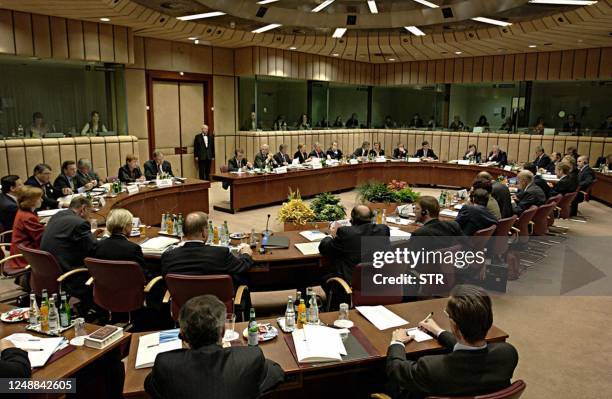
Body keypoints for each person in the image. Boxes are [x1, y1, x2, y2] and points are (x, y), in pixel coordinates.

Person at [386, 285, 518, 398]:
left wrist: (397, 342)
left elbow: (395, 368)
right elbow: (471, 354)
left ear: (454, 325)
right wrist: (438, 331)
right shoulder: (508, 354)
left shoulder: (432, 368)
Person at [144, 295, 284, 399]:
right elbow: (277, 374)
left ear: (183, 335)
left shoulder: (166, 364)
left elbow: (150, 386)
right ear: (223, 331)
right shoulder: (250, 357)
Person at [161, 212, 253, 287]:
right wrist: (246, 254)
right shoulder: (220, 254)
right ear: (203, 232)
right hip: (215, 305)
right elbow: (242, 266)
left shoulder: (168, 256)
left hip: (183, 306)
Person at [319, 205, 390, 282]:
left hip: (353, 283)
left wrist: (331, 235)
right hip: (377, 279)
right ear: (371, 218)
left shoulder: (346, 232)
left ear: (352, 218)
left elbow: (325, 249)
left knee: (324, 278)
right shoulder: (383, 229)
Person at [40, 196, 98, 273]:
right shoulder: (80, 223)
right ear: (83, 209)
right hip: (69, 271)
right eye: (90, 211)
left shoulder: (58, 214)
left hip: (48, 268)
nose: (90, 216)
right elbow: (94, 248)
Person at [94, 208, 149, 279]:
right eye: (131, 224)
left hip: (105, 287)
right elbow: (143, 275)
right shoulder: (133, 248)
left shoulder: (99, 245)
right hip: (129, 288)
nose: (132, 226)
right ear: (124, 227)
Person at [9, 186, 45, 270]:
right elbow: (41, 237)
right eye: (39, 198)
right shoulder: (28, 217)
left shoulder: (23, 212)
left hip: (23, 250)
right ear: (31, 201)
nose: (42, 200)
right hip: (25, 255)